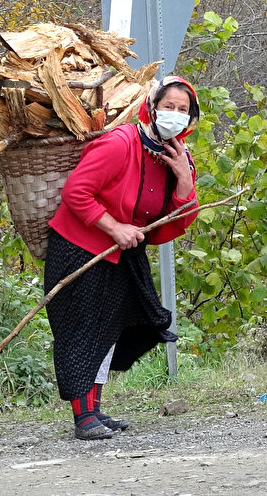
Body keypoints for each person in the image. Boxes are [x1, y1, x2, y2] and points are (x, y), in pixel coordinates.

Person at [44, 75, 201, 440]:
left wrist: (182, 180)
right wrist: (115, 227)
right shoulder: (120, 143)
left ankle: (94, 410)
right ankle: (83, 418)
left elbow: (170, 226)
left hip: (124, 252)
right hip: (80, 248)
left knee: (112, 329)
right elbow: (76, 192)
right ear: (152, 107)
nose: (174, 115)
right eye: (168, 107)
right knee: (82, 329)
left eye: (182, 110)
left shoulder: (179, 158)